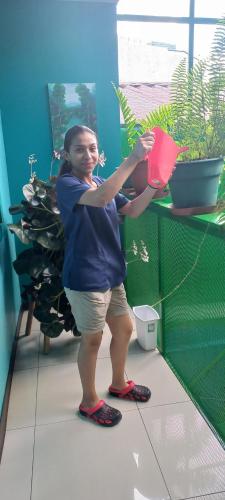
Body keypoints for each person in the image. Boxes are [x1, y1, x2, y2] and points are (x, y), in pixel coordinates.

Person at [56, 124, 157, 427]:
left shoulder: (102, 180)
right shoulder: (67, 184)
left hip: (111, 273)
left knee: (124, 330)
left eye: (92, 148)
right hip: (85, 278)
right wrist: (133, 160)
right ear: (67, 154)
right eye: (79, 149)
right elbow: (100, 198)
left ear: (98, 152)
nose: (87, 154)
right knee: (92, 340)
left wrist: (153, 185)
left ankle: (118, 384)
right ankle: (88, 402)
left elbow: (133, 210)